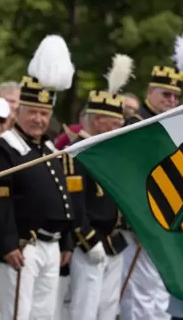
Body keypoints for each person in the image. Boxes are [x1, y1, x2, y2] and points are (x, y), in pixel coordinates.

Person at [0, 34, 75, 320]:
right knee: (18, 316)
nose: (39, 119)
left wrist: (67, 241)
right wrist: (8, 242)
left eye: (45, 114)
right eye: (33, 112)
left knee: (45, 316)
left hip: (52, 246)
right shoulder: (4, 146)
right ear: (18, 111)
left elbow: (63, 196)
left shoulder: (47, 147)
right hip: (22, 247)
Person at [120, 32, 183, 320]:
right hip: (141, 225)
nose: (171, 100)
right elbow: (131, 176)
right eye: (165, 94)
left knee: (158, 297)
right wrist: (140, 221)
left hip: (165, 222)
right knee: (139, 299)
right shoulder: (137, 125)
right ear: (149, 94)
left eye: (175, 95)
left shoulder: (169, 127)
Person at [65, 54, 132, 320]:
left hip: (115, 244)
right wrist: (88, 239)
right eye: (112, 123)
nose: (118, 127)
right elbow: (74, 203)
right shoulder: (77, 154)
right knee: (85, 310)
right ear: (94, 121)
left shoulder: (113, 154)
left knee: (107, 311)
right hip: (89, 244)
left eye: (119, 122)